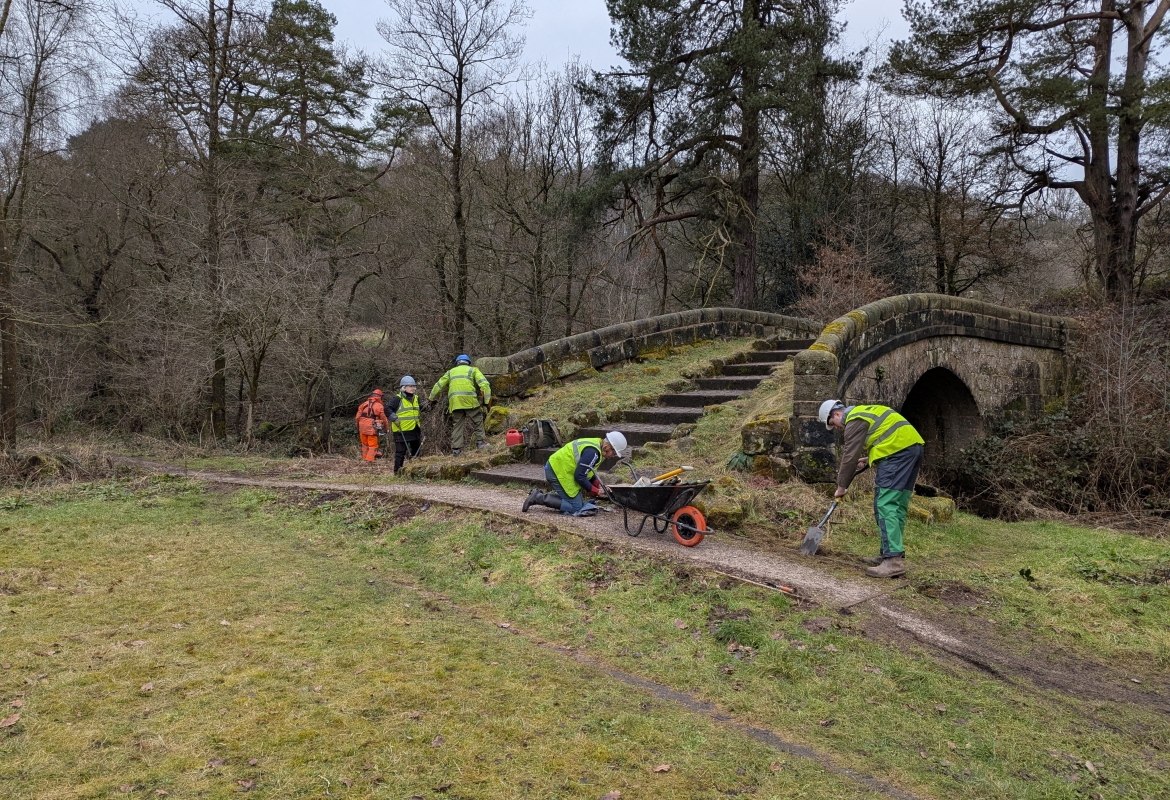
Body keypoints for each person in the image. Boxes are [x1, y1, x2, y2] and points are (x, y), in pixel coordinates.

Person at [819, 399, 925, 578]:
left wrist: (841, 486)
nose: (836, 428)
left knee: (885, 504)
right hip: (913, 449)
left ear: (836, 414)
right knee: (897, 505)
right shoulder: (867, 411)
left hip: (897, 454)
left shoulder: (853, 420)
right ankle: (889, 553)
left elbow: (849, 456)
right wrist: (869, 459)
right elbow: (885, 435)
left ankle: (893, 562)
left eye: (833, 424)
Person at [521, 431, 628, 516]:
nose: (614, 455)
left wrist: (597, 484)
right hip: (556, 471)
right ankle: (538, 497)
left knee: (578, 503)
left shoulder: (597, 447)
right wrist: (596, 491)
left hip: (562, 469)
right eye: (614, 452)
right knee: (576, 507)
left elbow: (587, 470)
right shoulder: (593, 453)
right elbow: (579, 476)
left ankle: (540, 496)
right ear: (608, 446)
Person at [429, 354, 492, 456]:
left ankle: (456, 450)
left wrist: (431, 399)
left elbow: (438, 385)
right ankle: (480, 443)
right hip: (470, 401)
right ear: (468, 362)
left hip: (455, 403)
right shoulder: (473, 370)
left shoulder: (450, 372)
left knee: (457, 425)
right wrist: (486, 401)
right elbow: (485, 384)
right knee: (478, 420)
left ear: (457, 363)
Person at [386, 375, 430, 475]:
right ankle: (397, 473)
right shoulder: (397, 399)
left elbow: (424, 409)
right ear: (404, 387)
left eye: (414, 386)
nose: (413, 388)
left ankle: (416, 472)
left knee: (416, 452)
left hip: (414, 429)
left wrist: (430, 406)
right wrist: (394, 418)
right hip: (401, 430)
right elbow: (387, 409)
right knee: (400, 453)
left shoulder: (417, 398)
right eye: (410, 386)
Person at [355, 389, 391, 462]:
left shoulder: (363, 404)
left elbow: (357, 417)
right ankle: (369, 461)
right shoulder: (379, 406)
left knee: (365, 445)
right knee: (373, 446)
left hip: (362, 428)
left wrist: (358, 427)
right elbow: (384, 419)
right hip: (372, 428)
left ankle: (364, 459)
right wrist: (386, 428)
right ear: (380, 397)